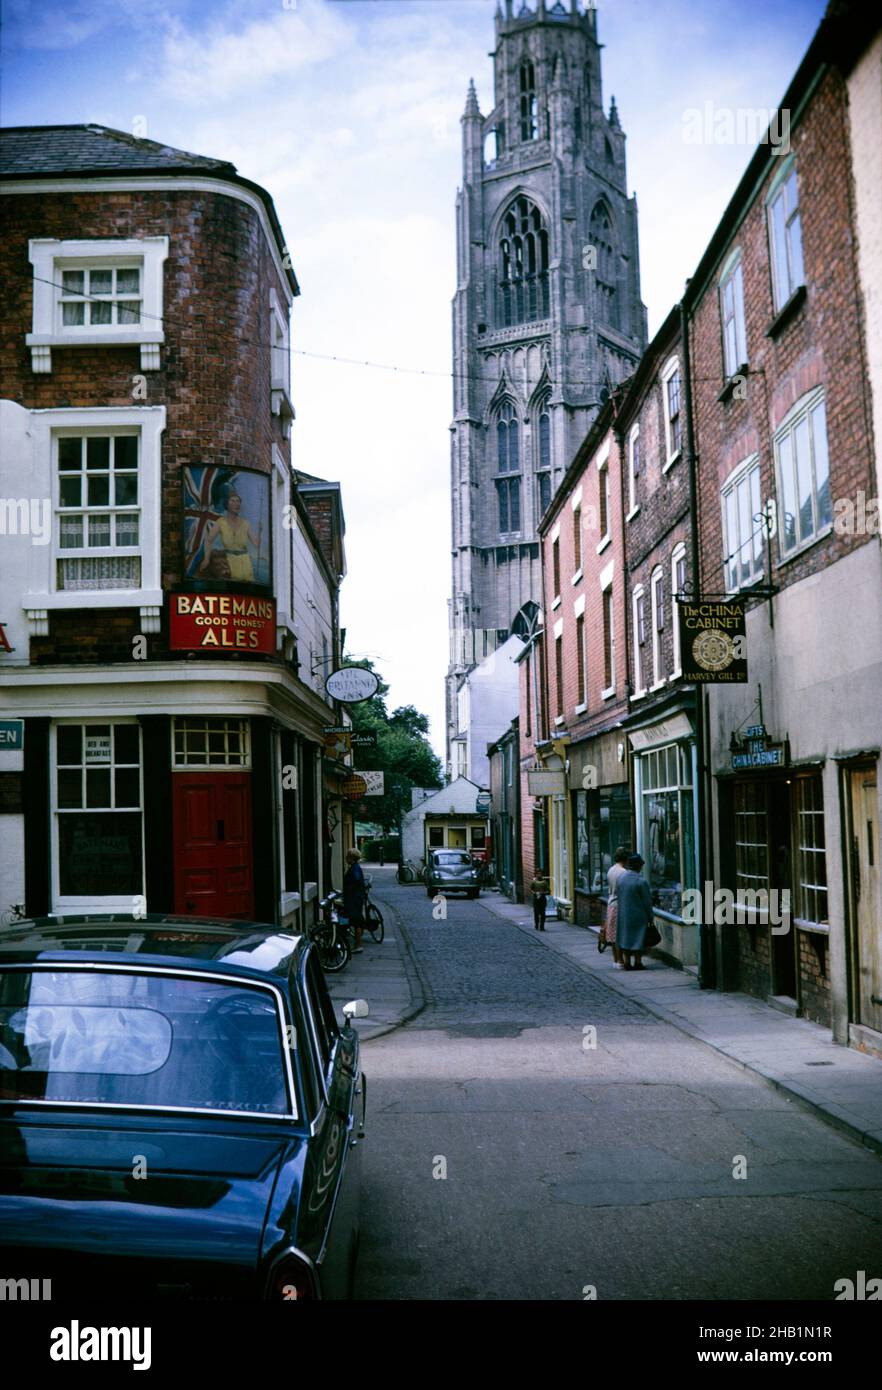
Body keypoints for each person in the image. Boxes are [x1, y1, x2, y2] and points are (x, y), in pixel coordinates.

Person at [201, 489, 263, 583]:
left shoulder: (246, 523)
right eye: (233, 501)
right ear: (227, 504)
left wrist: (259, 531)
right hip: (229, 561)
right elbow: (209, 540)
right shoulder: (221, 522)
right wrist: (206, 558)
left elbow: (256, 544)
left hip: (245, 563)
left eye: (238, 501)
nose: (236, 504)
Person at [615, 853, 655, 971]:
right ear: (639, 866)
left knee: (626, 938)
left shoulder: (621, 878)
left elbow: (618, 895)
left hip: (624, 914)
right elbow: (647, 901)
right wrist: (650, 916)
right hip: (638, 914)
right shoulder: (641, 881)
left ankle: (627, 961)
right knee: (638, 939)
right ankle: (638, 962)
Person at [603, 845, 630, 969]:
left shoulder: (611, 870)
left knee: (613, 935)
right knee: (621, 935)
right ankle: (621, 960)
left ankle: (616, 960)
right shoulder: (623, 873)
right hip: (620, 904)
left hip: (611, 903)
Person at [343, 847, 367, 953]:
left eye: (347, 856)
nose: (345, 858)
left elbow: (356, 880)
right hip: (356, 897)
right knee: (357, 920)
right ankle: (358, 943)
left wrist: (349, 890)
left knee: (356, 921)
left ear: (351, 858)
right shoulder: (355, 867)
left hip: (354, 898)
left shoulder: (355, 868)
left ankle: (358, 945)